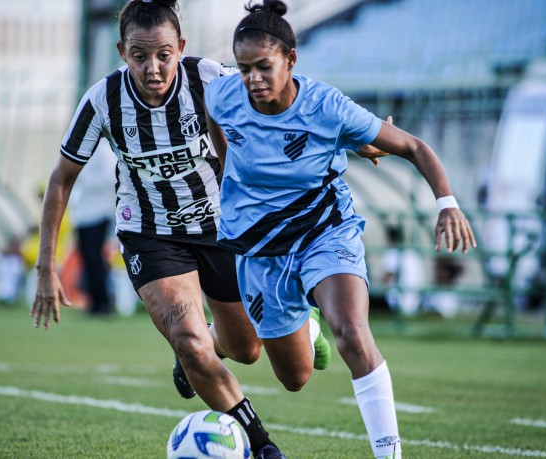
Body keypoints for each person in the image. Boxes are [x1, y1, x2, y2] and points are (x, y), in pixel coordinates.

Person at [204, 2, 477, 457]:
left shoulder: (327, 107)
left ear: (291, 60)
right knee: (295, 378)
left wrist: (447, 204)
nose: (252, 78)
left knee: (351, 331)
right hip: (259, 248)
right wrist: (229, 168)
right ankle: (303, 327)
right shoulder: (224, 95)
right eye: (245, 67)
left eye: (264, 67)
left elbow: (412, 146)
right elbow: (218, 120)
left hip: (324, 232)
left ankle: (389, 453)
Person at [30, 1, 300, 457]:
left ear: (182, 48)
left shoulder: (209, 78)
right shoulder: (103, 99)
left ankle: (195, 354)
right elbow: (61, 179)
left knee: (247, 348)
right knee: (192, 343)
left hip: (221, 229)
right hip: (150, 235)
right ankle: (262, 447)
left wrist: (364, 139)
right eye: (139, 55)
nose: (152, 68)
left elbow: (282, 102)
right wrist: (44, 267)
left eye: (163, 55)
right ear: (121, 51)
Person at [68, 142, 116, 316]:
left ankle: (103, 303)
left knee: (95, 259)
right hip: (84, 214)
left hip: (98, 212)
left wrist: (82, 179)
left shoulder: (102, 150)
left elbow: (110, 177)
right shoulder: (86, 148)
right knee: (89, 259)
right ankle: (94, 301)